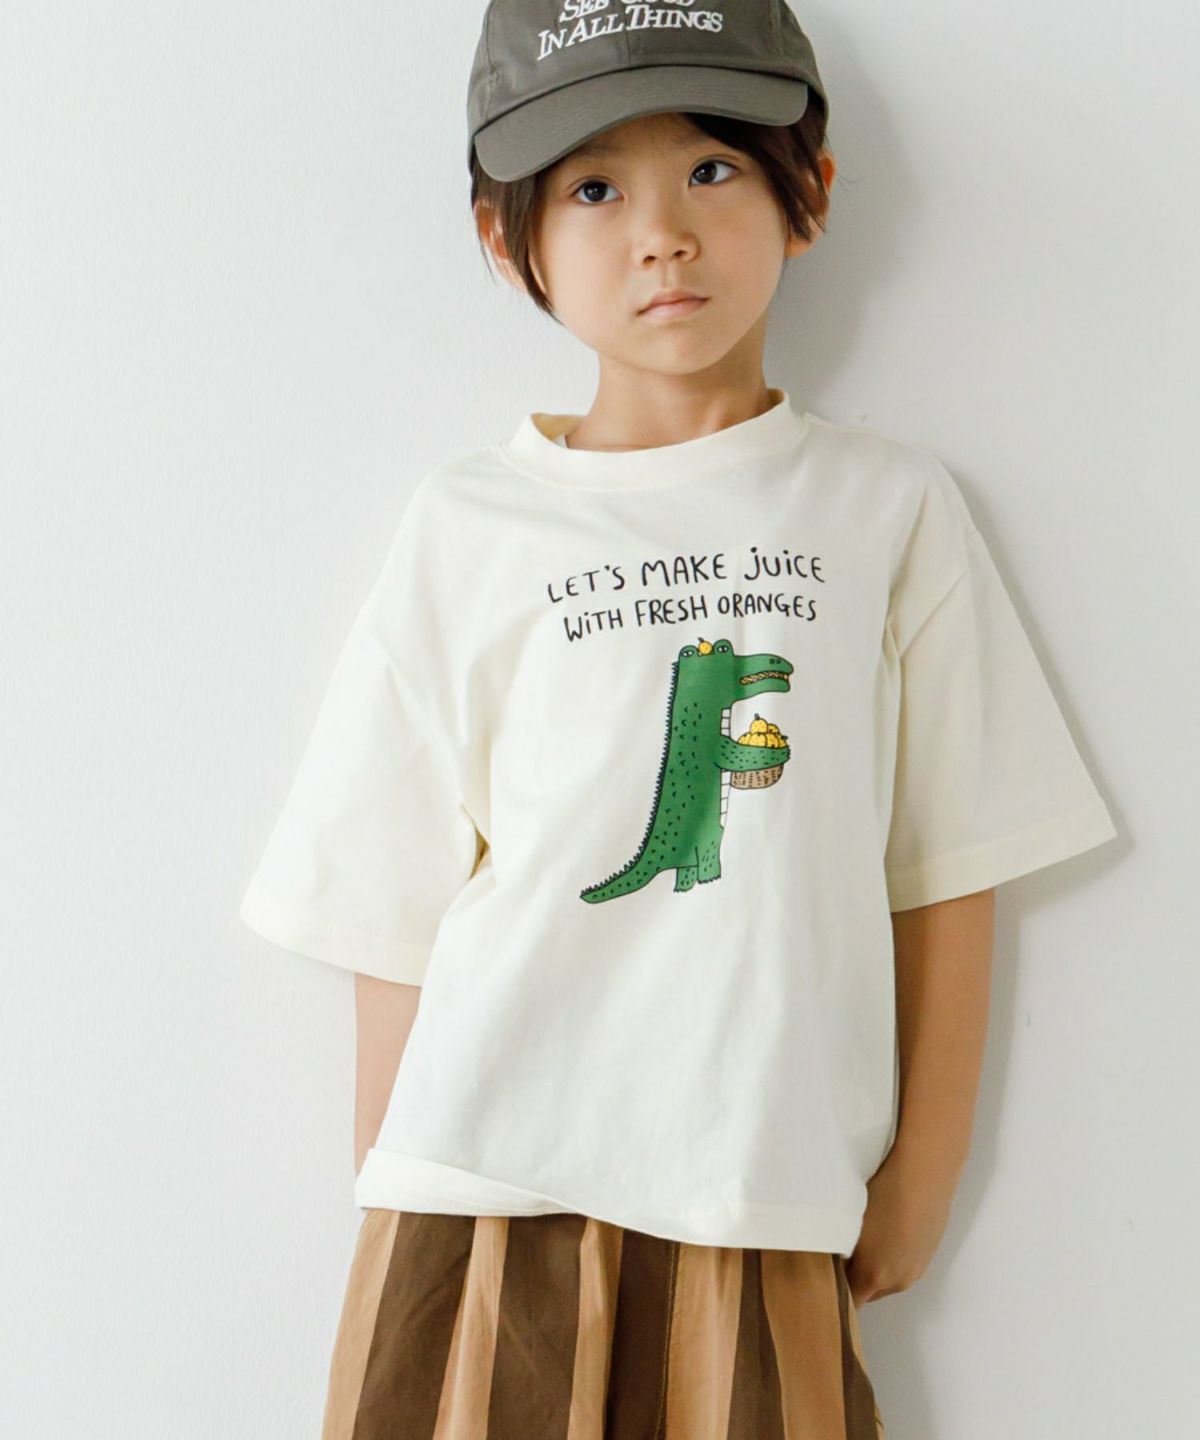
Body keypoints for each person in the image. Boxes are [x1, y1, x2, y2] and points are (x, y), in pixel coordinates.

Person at [238, 2, 1119, 1435]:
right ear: (505, 237)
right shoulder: (470, 523)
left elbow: (953, 861)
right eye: (593, 188)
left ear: (807, 190)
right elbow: (386, 891)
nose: (661, 235)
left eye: (711, 169)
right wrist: (394, 1172)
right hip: (486, 1180)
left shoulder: (884, 507)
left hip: (760, 1189)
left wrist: (926, 1166)